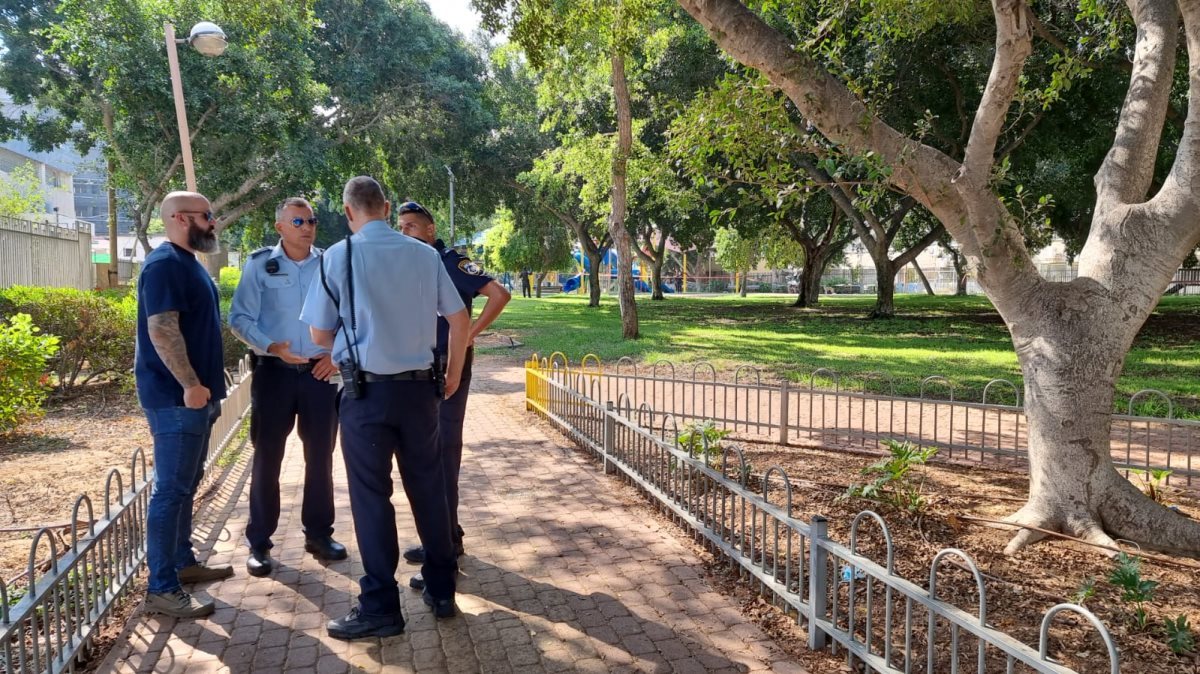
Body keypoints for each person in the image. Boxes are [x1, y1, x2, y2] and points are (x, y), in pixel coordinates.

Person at [301, 176, 470, 639]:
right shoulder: (424, 254)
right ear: (388, 208)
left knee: (371, 498)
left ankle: (380, 607)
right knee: (429, 489)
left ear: (348, 211)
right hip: (421, 392)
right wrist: (453, 374)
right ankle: (441, 589)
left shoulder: (338, 256)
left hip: (366, 395)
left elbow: (318, 334)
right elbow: (459, 319)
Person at [229, 197, 345, 578]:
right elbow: (239, 317)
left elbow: (349, 315)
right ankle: (260, 542)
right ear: (280, 227)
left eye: (311, 220)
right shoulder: (260, 264)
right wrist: (270, 345)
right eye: (298, 221)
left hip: (319, 374)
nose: (307, 227)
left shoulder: (330, 263)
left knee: (321, 457)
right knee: (267, 458)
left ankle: (319, 534)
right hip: (274, 374)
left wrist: (336, 356)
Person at [396, 201, 510, 590]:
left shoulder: (451, 262)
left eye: (411, 226)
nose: (405, 232)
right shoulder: (411, 263)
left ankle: (444, 545)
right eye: (400, 227)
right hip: (420, 365)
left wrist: (470, 334)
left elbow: (499, 294)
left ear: (430, 230)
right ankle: (446, 535)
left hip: (448, 366)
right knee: (430, 452)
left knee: (442, 451)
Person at [135, 190, 233, 619]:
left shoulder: (187, 262)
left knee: (186, 485)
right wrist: (190, 385)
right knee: (171, 491)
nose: (213, 222)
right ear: (179, 218)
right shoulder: (164, 265)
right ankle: (161, 587)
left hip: (196, 398)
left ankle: (182, 563)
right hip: (177, 399)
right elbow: (161, 329)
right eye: (206, 215)